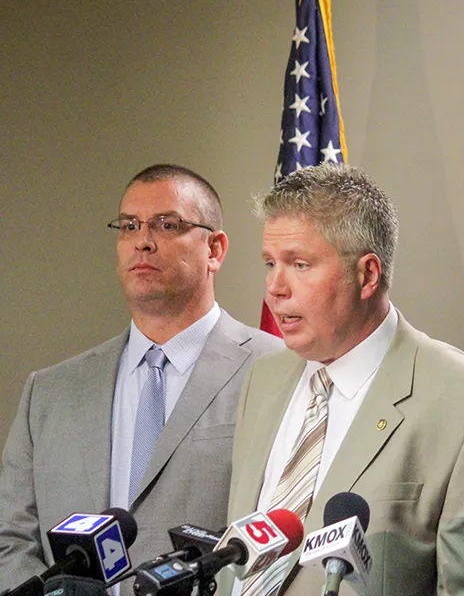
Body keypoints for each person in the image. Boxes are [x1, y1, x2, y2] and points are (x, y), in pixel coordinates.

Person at [220, 163, 464, 596]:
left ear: (367, 274)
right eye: (270, 263)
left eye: (300, 263)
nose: (275, 287)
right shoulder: (263, 379)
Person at [0, 164, 282, 593]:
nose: (143, 241)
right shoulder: (49, 392)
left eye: (166, 225)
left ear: (215, 250)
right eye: (129, 226)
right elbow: (11, 538)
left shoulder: (280, 371)